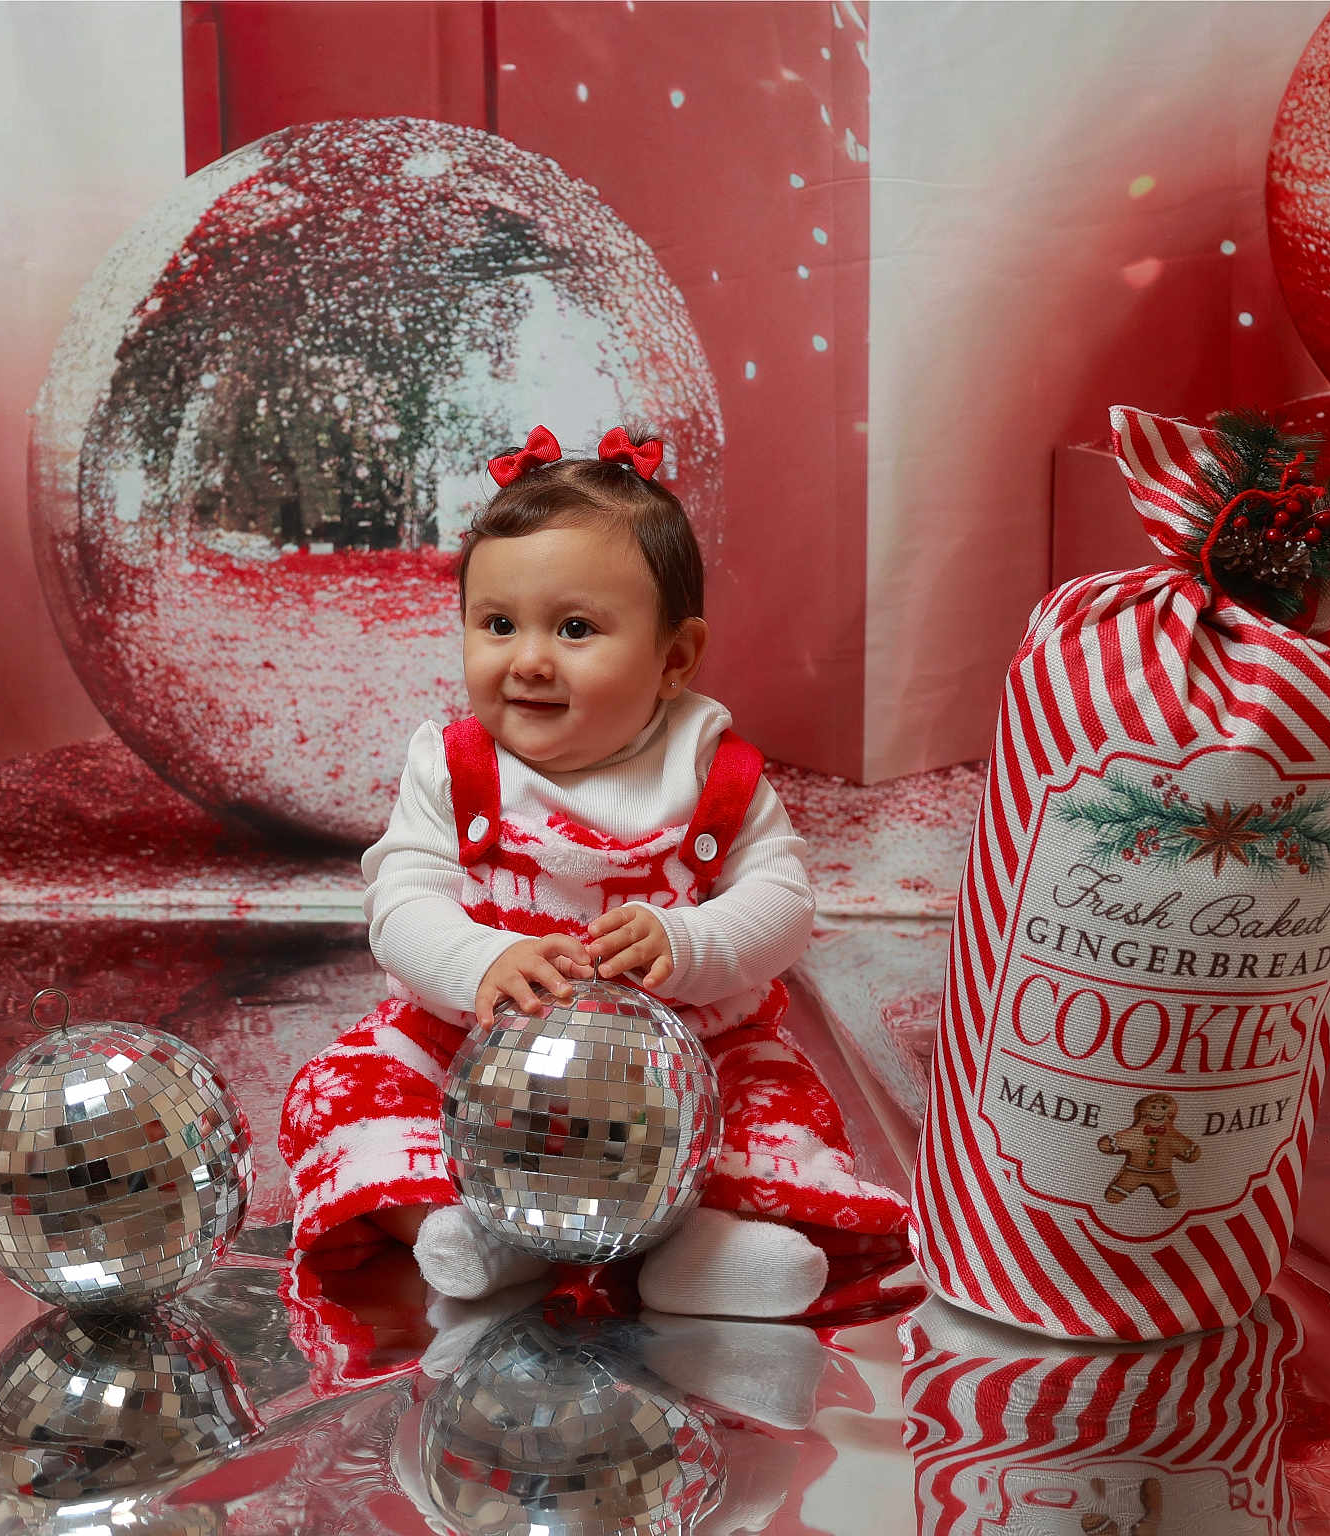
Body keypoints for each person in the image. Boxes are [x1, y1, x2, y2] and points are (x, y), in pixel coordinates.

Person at [279, 423, 908, 1319]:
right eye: (497, 625)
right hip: (475, 1050)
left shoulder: (711, 773)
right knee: (354, 1096)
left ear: (675, 658)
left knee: (773, 1112)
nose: (528, 659)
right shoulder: (455, 768)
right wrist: (476, 962)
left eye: (575, 629)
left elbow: (783, 901)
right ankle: (458, 1227)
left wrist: (694, 940)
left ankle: (701, 1249)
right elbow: (402, 900)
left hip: (683, 1063)